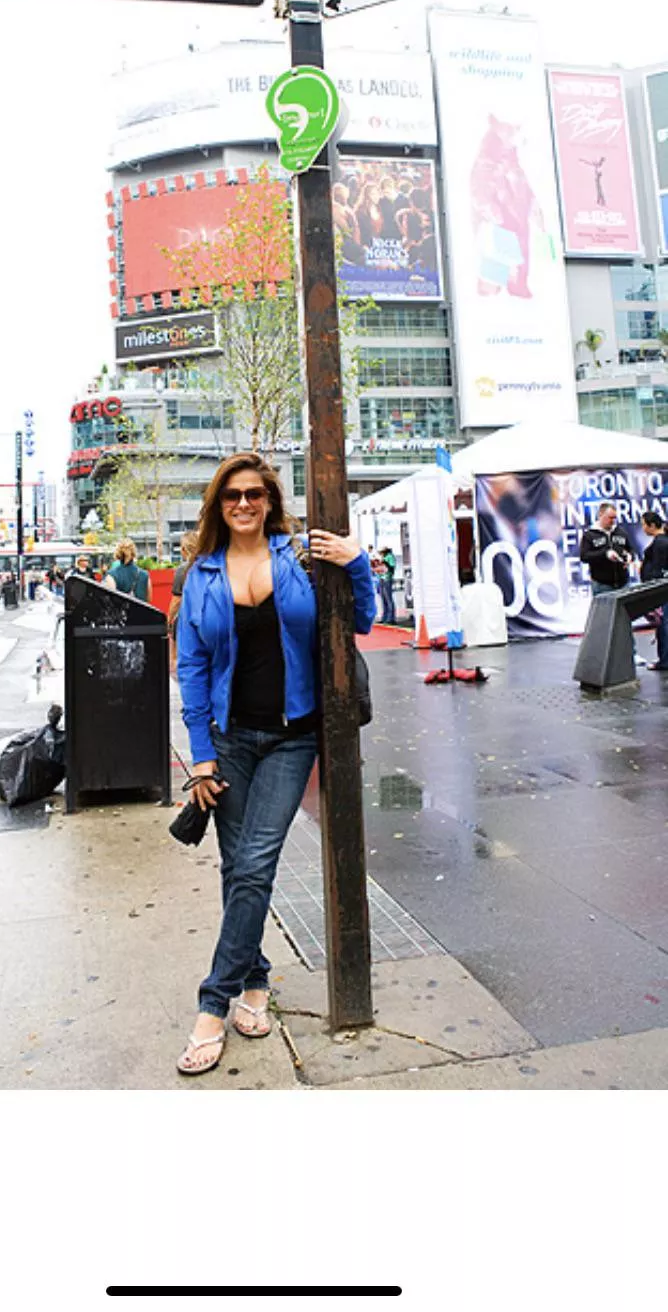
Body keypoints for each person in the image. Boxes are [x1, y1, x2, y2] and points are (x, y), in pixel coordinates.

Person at [175, 451, 376, 1078]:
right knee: (240, 870)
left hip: (292, 737)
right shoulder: (202, 574)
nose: (243, 505)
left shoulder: (299, 560)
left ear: (270, 500)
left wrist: (358, 564)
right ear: (217, 504)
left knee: (257, 860)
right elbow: (193, 670)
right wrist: (201, 758)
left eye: (254, 495)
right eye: (232, 496)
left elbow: (362, 619)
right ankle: (254, 981)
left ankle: (213, 1003)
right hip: (229, 740)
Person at [580, 502, 633, 595]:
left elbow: (630, 549)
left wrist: (630, 556)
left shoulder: (620, 532)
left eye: (614, 518)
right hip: (602, 585)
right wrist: (605, 554)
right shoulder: (590, 535)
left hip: (623, 583)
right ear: (600, 515)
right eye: (610, 518)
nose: (613, 521)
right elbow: (584, 556)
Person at [640, 511, 668, 671]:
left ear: (651, 525)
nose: (643, 528)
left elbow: (659, 568)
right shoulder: (661, 542)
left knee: (664, 625)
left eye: (644, 524)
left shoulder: (660, 543)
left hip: (661, 591)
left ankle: (664, 660)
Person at [167, 532, 198, 673]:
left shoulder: (183, 570)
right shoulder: (209, 563)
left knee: (179, 659)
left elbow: (177, 600)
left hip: (186, 619)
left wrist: (168, 620)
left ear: (184, 549)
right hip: (208, 618)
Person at [380, 544, 397, 624]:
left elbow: (392, 568)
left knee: (388, 598)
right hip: (382, 578)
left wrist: (385, 563)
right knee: (383, 599)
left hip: (387, 578)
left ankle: (391, 618)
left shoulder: (390, 556)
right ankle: (385, 617)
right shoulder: (384, 557)